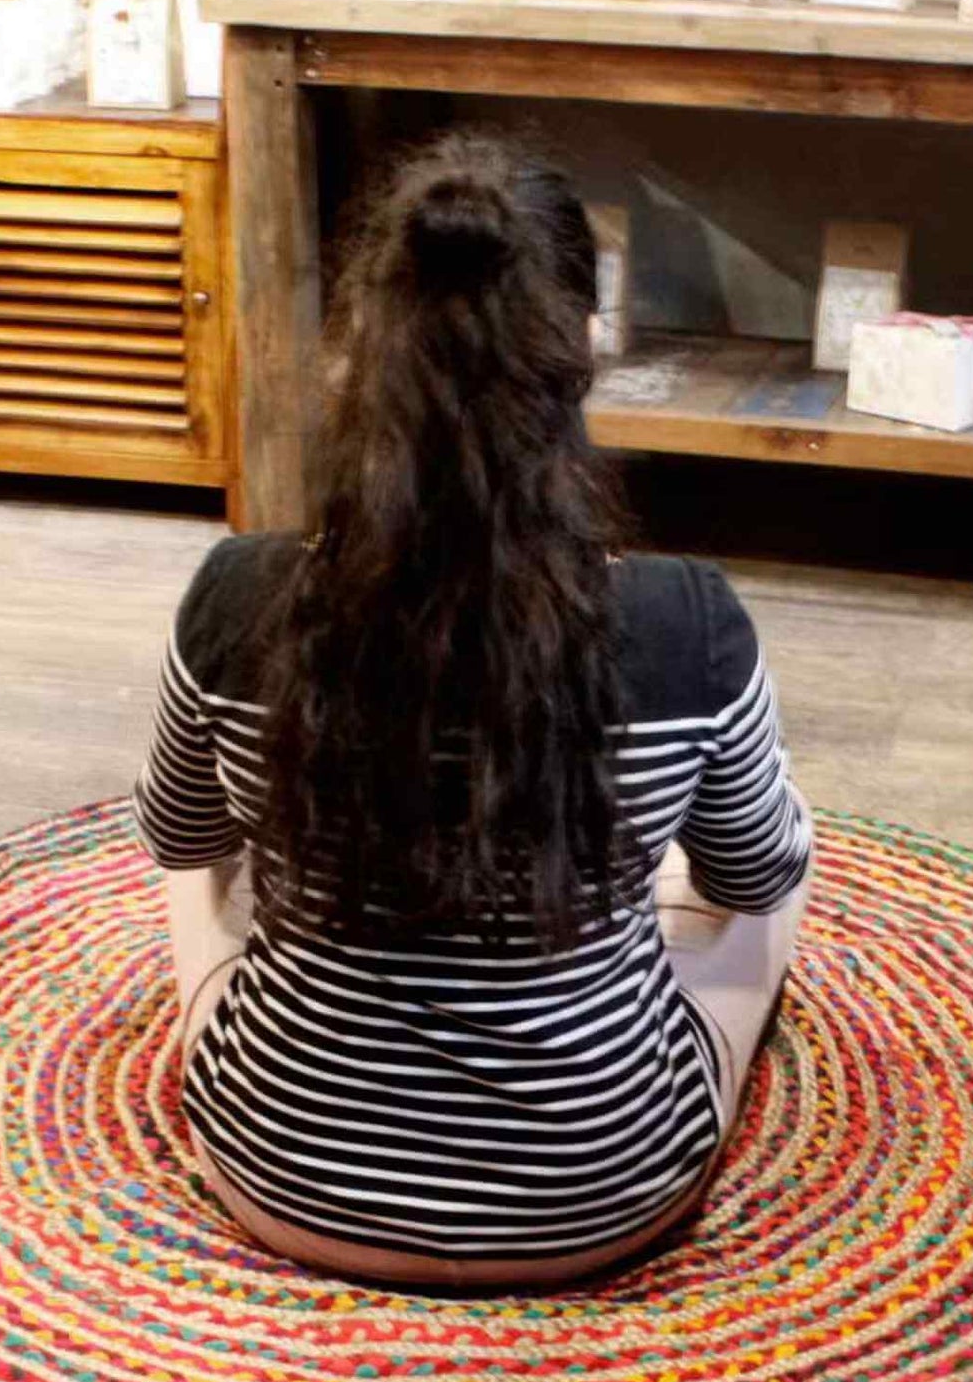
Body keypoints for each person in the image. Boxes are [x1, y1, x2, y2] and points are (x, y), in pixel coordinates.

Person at [136, 133, 812, 1290]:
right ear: (579, 349)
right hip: (598, 1196)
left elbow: (184, 843)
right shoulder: (682, 623)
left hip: (282, 1174)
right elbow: (751, 878)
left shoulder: (236, 595)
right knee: (774, 903)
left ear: (353, 350)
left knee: (183, 879)